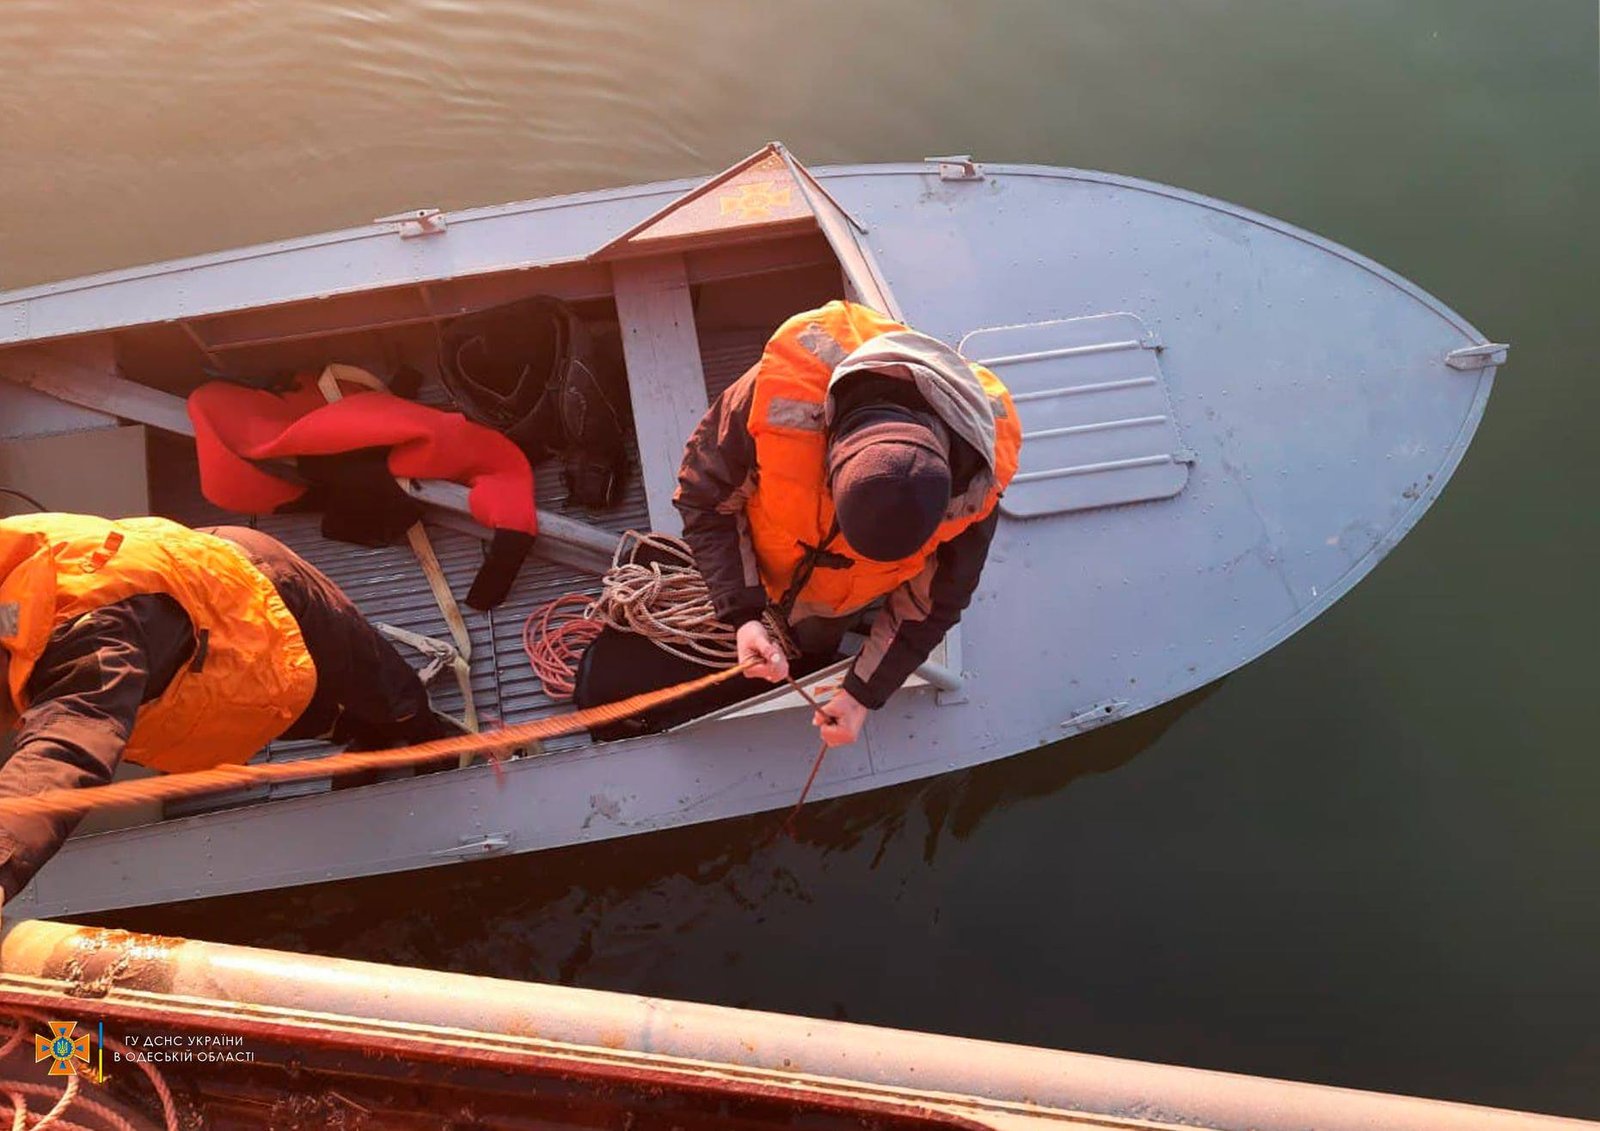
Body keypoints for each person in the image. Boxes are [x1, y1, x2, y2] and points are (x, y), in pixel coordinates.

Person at [0, 512, 461, 904]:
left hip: (265, 589)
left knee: (379, 683)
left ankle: (428, 737)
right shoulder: (16, 594)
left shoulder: (90, 637)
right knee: (312, 716)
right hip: (211, 664)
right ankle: (367, 738)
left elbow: (64, 752)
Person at [672, 299, 1022, 747]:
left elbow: (935, 603)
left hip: (839, 602)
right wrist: (742, 614)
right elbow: (704, 498)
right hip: (763, 559)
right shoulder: (775, 392)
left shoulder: (975, 486)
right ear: (829, 468)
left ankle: (814, 635)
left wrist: (861, 696)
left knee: (817, 637)